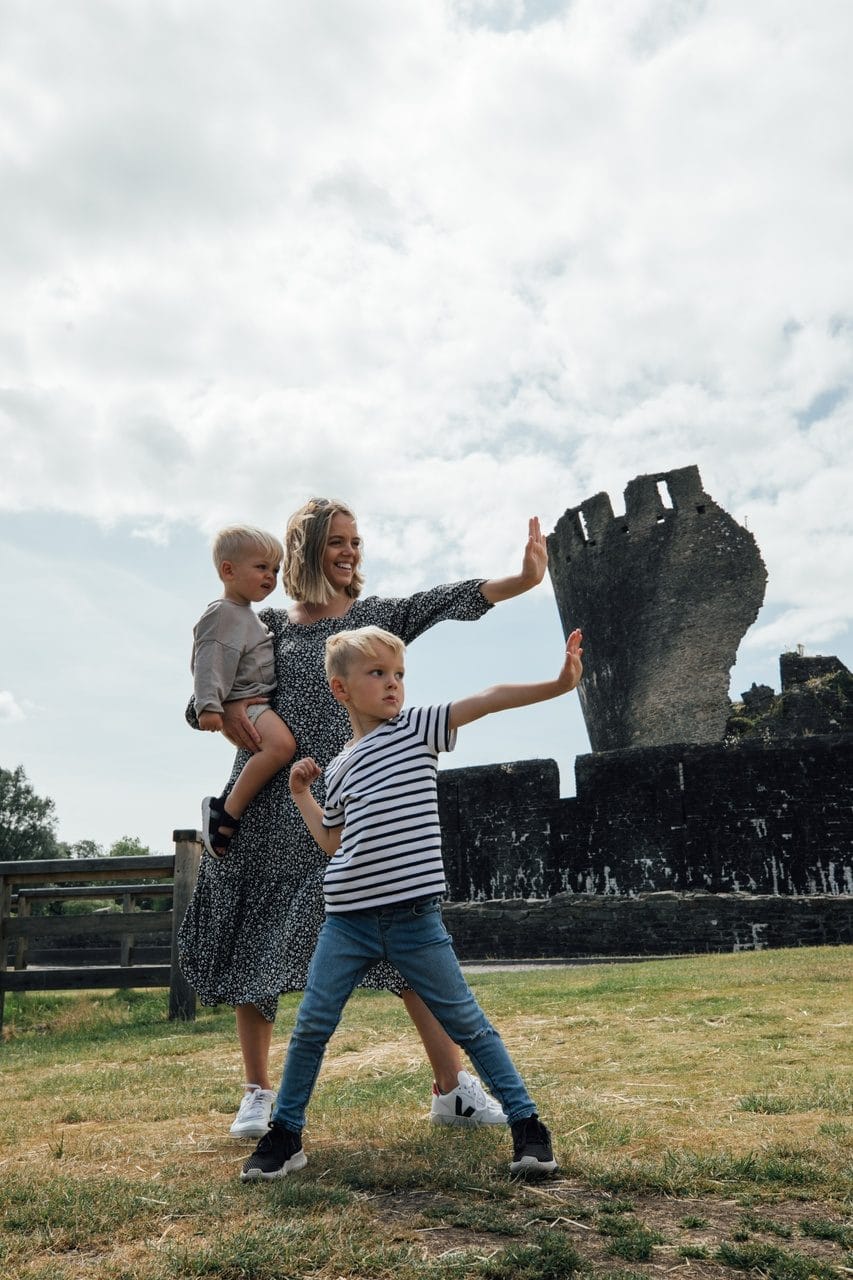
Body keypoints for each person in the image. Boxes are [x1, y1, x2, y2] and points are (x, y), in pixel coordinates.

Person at [179, 497, 550, 1140]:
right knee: (256, 944)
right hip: (271, 807)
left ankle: (452, 1089)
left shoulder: (376, 619)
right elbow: (210, 683)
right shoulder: (268, 626)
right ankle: (258, 1094)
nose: (350, 552)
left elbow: (447, 599)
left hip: (353, 810)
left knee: (408, 952)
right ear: (306, 549)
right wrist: (222, 714)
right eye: (337, 542)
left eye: (355, 541)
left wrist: (521, 579)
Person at [240, 622, 584, 1181]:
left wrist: (558, 684)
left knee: (468, 1024)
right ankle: (285, 1134)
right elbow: (332, 842)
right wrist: (302, 793)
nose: (393, 684)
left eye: (399, 674)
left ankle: (527, 1126)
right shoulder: (341, 765)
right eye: (377, 673)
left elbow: (489, 698)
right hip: (346, 922)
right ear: (341, 689)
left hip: (414, 920)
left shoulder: (417, 728)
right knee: (310, 1028)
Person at [191, 526, 297, 858]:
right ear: (228, 570)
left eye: (275, 570)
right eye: (261, 567)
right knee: (281, 747)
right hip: (246, 700)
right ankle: (225, 812)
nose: (270, 576)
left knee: (278, 749)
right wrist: (209, 706)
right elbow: (208, 659)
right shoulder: (222, 613)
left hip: (257, 700)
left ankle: (229, 810)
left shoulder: (247, 615)